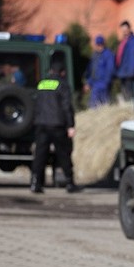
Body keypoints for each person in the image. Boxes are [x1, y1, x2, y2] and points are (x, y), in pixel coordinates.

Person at [31, 61, 79, 194]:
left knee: (40, 155)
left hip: (41, 124)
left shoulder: (41, 84)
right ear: (62, 72)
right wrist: (70, 125)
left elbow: (36, 104)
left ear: (51, 71)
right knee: (63, 154)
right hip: (57, 125)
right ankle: (69, 182)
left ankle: (35, 183)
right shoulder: (63, 85)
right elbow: (66, 107)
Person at [83, 35, 115, 108]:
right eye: (98, 44)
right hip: (95, 85)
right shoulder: (94, 56)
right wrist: (89, 83)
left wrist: (107, 82)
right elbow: (92, 71)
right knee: (93, 106)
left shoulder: (108, 55)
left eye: (101, 44)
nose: (99, 46)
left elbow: (110, 70)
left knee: (105, 105)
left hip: (104, 84)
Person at [115, 20, 134, 100]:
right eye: (123, 30)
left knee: (130, 97)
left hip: (130, 75)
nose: (124, 32)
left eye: (126, 30)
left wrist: (131, 72)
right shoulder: (123, 42)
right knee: (125, 96)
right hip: (123, 73)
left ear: (129, 29)